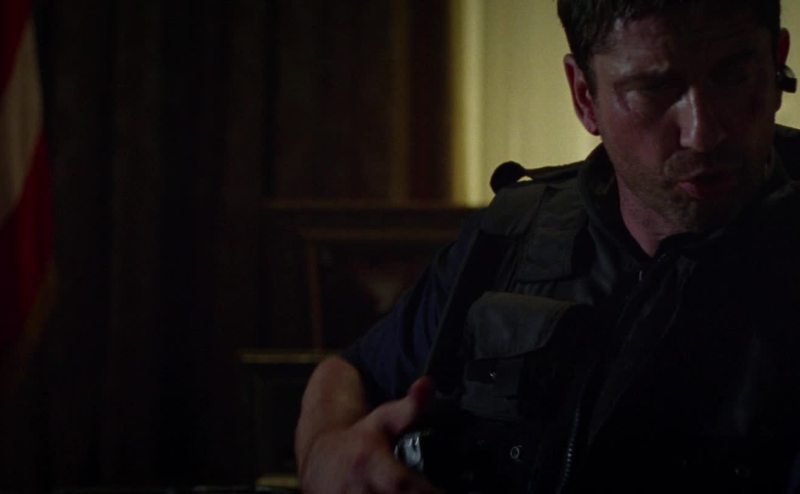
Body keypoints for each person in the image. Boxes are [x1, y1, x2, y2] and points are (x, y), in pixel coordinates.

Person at [295, 0, 800, 492]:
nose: (703, 134)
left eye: (734, 77)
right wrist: (326, 448)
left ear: (777, 64)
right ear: (584, 96)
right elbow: (352, 371)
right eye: (654, 89)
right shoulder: (518, 234)